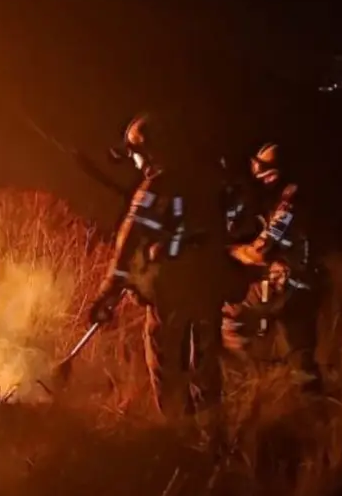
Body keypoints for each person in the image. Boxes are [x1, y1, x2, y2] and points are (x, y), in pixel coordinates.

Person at [88, 113, 226, 418]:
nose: (135, 162)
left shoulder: (156, 187)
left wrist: (109, 289)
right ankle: (212, 431)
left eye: (136, 154)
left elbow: (130, 240)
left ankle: (178, 432)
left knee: (166, 364)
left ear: (150, 152)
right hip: (210, 286)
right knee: (205, 365)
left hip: (173, 290)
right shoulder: (209, 179)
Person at [221, 142, 325, 393]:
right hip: (305, 286)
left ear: (272, 173)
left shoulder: (288, 204)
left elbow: (261, 250)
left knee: (229, 318)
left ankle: (254, 378)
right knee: (301, 354)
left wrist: (230, 251)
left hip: (284, 284)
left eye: (259, 166)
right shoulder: (298, 198)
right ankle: (312, 404)